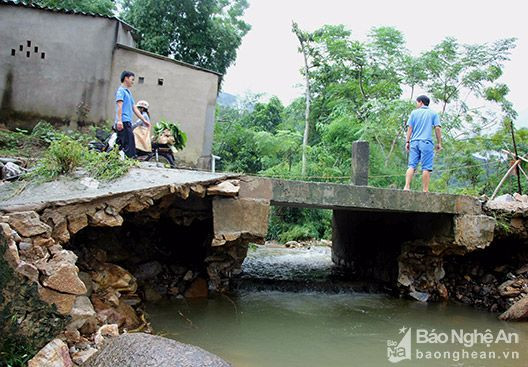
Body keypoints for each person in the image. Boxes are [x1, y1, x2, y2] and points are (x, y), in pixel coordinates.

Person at [403, 95, 442, 192]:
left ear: (421, 102)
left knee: (411, 165)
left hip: (414, 142)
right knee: (426, 167)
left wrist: (407, 141)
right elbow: (437, 128)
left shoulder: (414, 113)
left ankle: (407, 187)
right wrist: (439, 142)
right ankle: (425, 190)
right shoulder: (433, 114)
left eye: (417, 102)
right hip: (426, 142)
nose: (416, 104)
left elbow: (410, 128)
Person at [114, 71, 150, 158]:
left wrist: (144, 120)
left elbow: (134, 108)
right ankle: (126, 162)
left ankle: (115, 159)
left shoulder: (128, 93)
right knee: (128, 145)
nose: (133, 82)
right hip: (123, 122)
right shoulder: (121, 91)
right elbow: (120, 106)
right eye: (132, 79)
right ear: (126, 78)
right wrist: (119, 121)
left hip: (127, 121)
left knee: (122, 144)